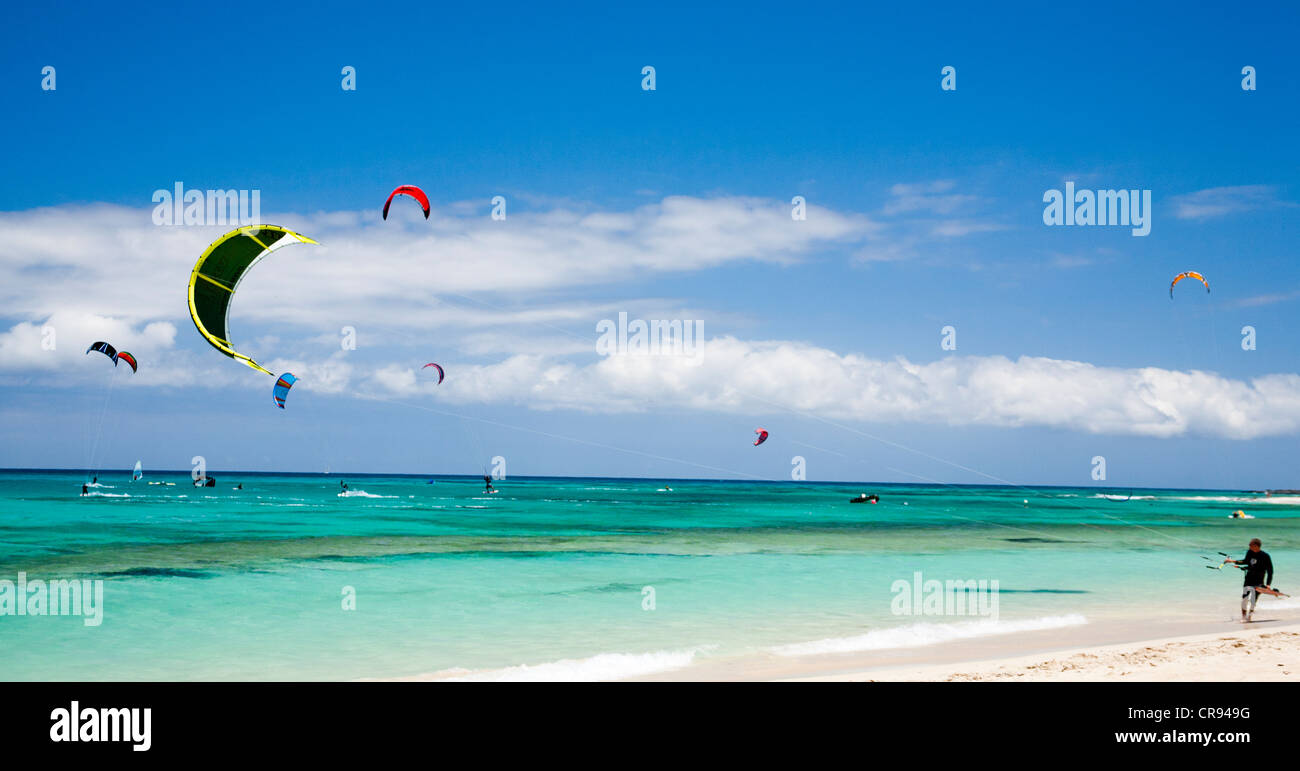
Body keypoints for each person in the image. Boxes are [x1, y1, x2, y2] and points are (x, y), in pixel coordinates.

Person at [1224, 538, 1280, 621]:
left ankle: (1249, 617)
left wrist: (1268, 584)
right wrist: (1232, 561)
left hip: (1259, 580)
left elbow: (1270, 571)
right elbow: (1245, 561)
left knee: (1254, 599)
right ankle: (1243, 617)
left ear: (1256, 546)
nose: (1249, 546)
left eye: (1250, 545)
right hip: (1249, 578)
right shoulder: (1249, 552)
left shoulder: (1265, 556)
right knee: (1244, 598)